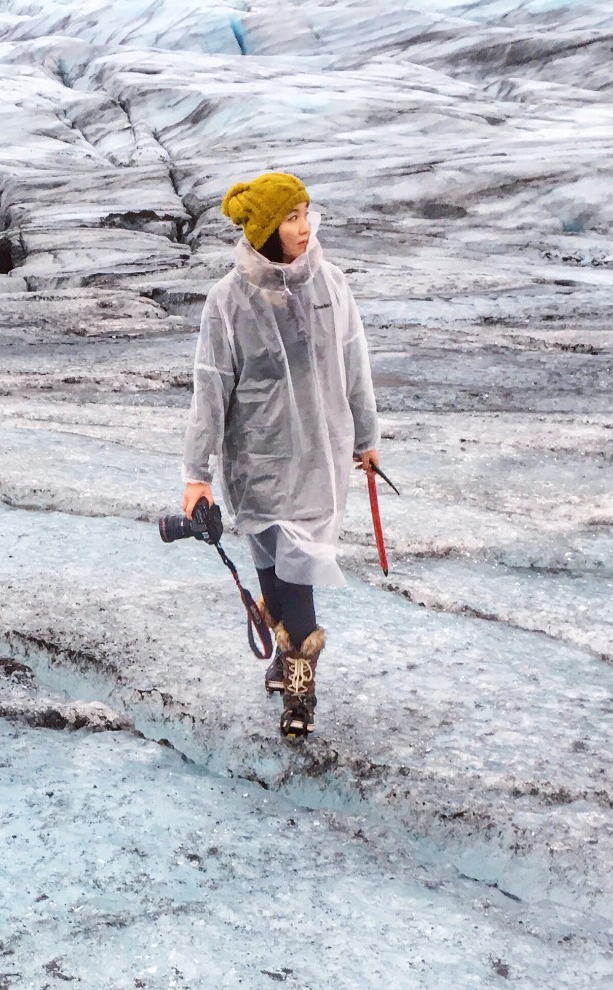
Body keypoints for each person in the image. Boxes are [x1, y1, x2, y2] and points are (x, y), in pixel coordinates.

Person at [181, 171, 380, 740]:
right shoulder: (228, 300)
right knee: (270, 560)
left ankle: (300, 691)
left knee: (299, 570)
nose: (304, 226)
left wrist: (366, 437)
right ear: (266, 228)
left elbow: (355, 364)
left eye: (306, 213)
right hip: (257, 461)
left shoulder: (331, 285)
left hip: (319, 458)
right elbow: (210, 388)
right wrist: (197, 475)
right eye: (291, 218)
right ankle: (284, 658)